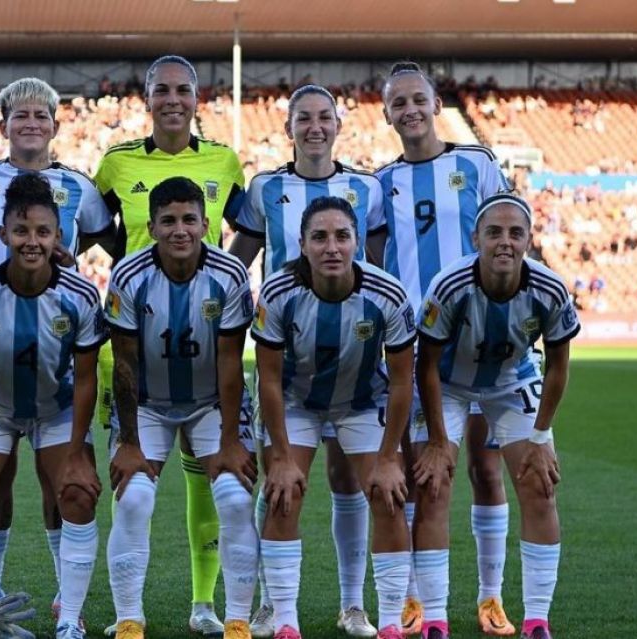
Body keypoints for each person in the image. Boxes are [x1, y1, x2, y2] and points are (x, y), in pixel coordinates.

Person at [0, 77, 113, 626]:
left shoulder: (77, 186)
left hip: (56, 344)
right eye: (20, 115)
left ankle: (69, 610)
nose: (31, 123)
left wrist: (69, 254)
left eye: (41, 116)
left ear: (56, 127)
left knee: (68, 486)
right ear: (4, 124)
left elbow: (114, 238)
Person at [94, 54, 247, 636]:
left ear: (197, 97)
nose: (173, 100)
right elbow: (94, 227)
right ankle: (126, 614)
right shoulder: (116, 162)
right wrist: (139, 276)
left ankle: (208, 605)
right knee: (131, 489)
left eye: (184, 90)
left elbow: (247, 225)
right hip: (137, 342)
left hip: (206, 347)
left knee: (213, 490)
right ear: (147, 97)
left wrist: (222, 278)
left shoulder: (224, 161)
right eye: (162, 90)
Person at [229, 84, 385, 638]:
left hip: (354, 361)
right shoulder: (264, 187)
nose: (314, 127)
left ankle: (353, 605)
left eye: (324, 118)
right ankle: (273, 605)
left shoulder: (368, 187)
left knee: (350, 481)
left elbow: (379, 266)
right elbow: (239, 260)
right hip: (286, 359)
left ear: (339, 125)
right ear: (288, 127)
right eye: (303, 119)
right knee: (281, 481)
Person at [372, 61, 512, 637]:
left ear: (435, 104)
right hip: (412, 345)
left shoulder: (475, 162)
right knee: (416, 471)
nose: (410, 110)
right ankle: (412, 599)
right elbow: (374, 256)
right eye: (398, 103)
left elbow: (509, 231)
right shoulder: (382, 181)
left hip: (482, 340)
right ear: (387, 115)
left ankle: (490, 597)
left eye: (417, 100)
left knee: (485, 469)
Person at [252, 196, 416, 639]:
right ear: (302, 245)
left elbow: (402, 381)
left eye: (342, 236)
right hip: (294, 401)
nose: (331, 247)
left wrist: (387, 458)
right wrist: (282, 455)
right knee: (285, 490)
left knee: (387, 493)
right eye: (319, 237)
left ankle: (389, 623)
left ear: (356, 243)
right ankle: (284, 619)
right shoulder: (278, 292)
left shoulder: (387, 294)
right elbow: (267, 378)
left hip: (362, 401)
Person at [414, 194, 578, 639]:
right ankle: (434, 620)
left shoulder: (550, 289)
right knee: (431, 486)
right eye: (494, 232)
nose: (504, 242)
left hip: (511, 382)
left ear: (528, 239)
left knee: (540, 485)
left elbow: (559, 365)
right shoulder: (449, 286)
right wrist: (434, 440)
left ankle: (536, 620)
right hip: (446, 382)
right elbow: (425, 363)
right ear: (476, 239)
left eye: (515, 233)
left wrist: (541, 436)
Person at [104, 177, 258, 639]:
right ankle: (129, 617)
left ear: (206, 224)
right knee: (133, 497)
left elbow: (232, 362)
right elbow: (125, 363)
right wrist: (129, 442)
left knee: (234, 498)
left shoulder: (229, 274)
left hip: (210, 401)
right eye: (168, 220)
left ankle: (237, 621)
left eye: (189, 219)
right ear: (150, 227)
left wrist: (231, 440)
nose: (180, 230)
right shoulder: (128, 276)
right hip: (147, 404)